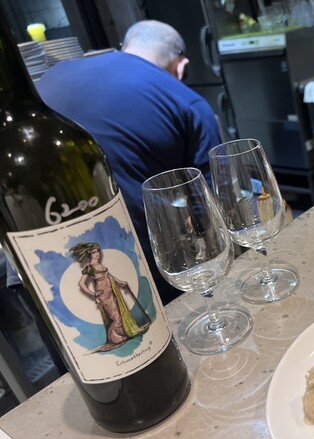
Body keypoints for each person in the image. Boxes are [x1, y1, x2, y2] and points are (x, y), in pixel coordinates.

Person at [37, 20, 221, 304]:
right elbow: (207, 204)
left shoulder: (53, 74)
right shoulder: (186, 101)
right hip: (139, 266)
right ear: (181, 66)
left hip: (41, 261)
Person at [70, 242, 150, 352]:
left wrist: (120, 282)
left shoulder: (101, 265)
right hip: (104, 296)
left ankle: (122, 335)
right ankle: (114, 339)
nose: (97, 254)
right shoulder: (90, 268)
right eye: (94, 252)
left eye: (98, 251)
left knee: (120, 315)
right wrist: (93, 294)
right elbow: (81, 283)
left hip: (112, 292)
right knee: (117, 318)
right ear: (89, 254)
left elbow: (109, 277)